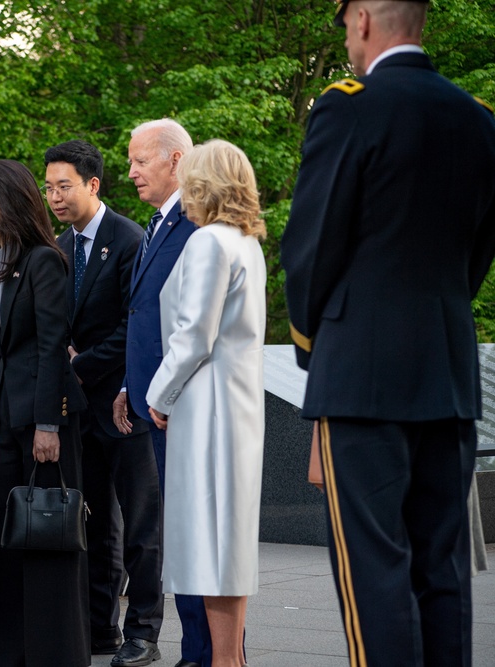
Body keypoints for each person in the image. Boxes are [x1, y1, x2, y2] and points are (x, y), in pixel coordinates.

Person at [280, 1, 495, 665]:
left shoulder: (348, 105)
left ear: (365, 19)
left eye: (346, 24)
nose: (346, 38)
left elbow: (310, 248)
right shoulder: (478, 118)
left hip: (362, 378)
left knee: (374, 568)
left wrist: (314, 349)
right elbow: (477, 253)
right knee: (443, 568)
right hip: (447, 368)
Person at [144, 140, 266, 667]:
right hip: (235, 408)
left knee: (211, 544)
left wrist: (157, 393)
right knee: (228, 546)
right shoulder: (245, 243)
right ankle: (228, 659)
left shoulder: (209, 242)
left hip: (207, 410)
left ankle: (223, 661)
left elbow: (194, 335)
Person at [45, 140, 164, 667]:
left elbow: (134, 326)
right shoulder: (59, 248)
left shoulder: (130, 238)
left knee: (140, 525)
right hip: (77, 412)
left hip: (124, 403)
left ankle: (143, 630)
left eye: (63, 186)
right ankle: (99, 628)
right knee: (93, 523)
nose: (54, 197)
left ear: (93, 185)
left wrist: (80, 362)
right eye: (48, 187)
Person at [0, 159, 91, 667]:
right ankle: (8, 652)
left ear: (6, 201)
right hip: (2, 422)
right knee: (6, 540)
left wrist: (49, 424)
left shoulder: (45, 260)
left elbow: (51, 347)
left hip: (43, 424)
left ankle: (53, 653)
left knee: (48, 538)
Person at [112, 118, 211, 667]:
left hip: (183, 409)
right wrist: (131, 384)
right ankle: (198, 649)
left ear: (176, 161)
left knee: (193, 537)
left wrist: (156, 391)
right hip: (154, 402)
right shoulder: (157, 225)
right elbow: (148, 314)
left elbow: (193, 327)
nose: (130, 172)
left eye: (140, 161)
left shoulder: (197, 224)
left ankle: (205, 653)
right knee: (179, 533)